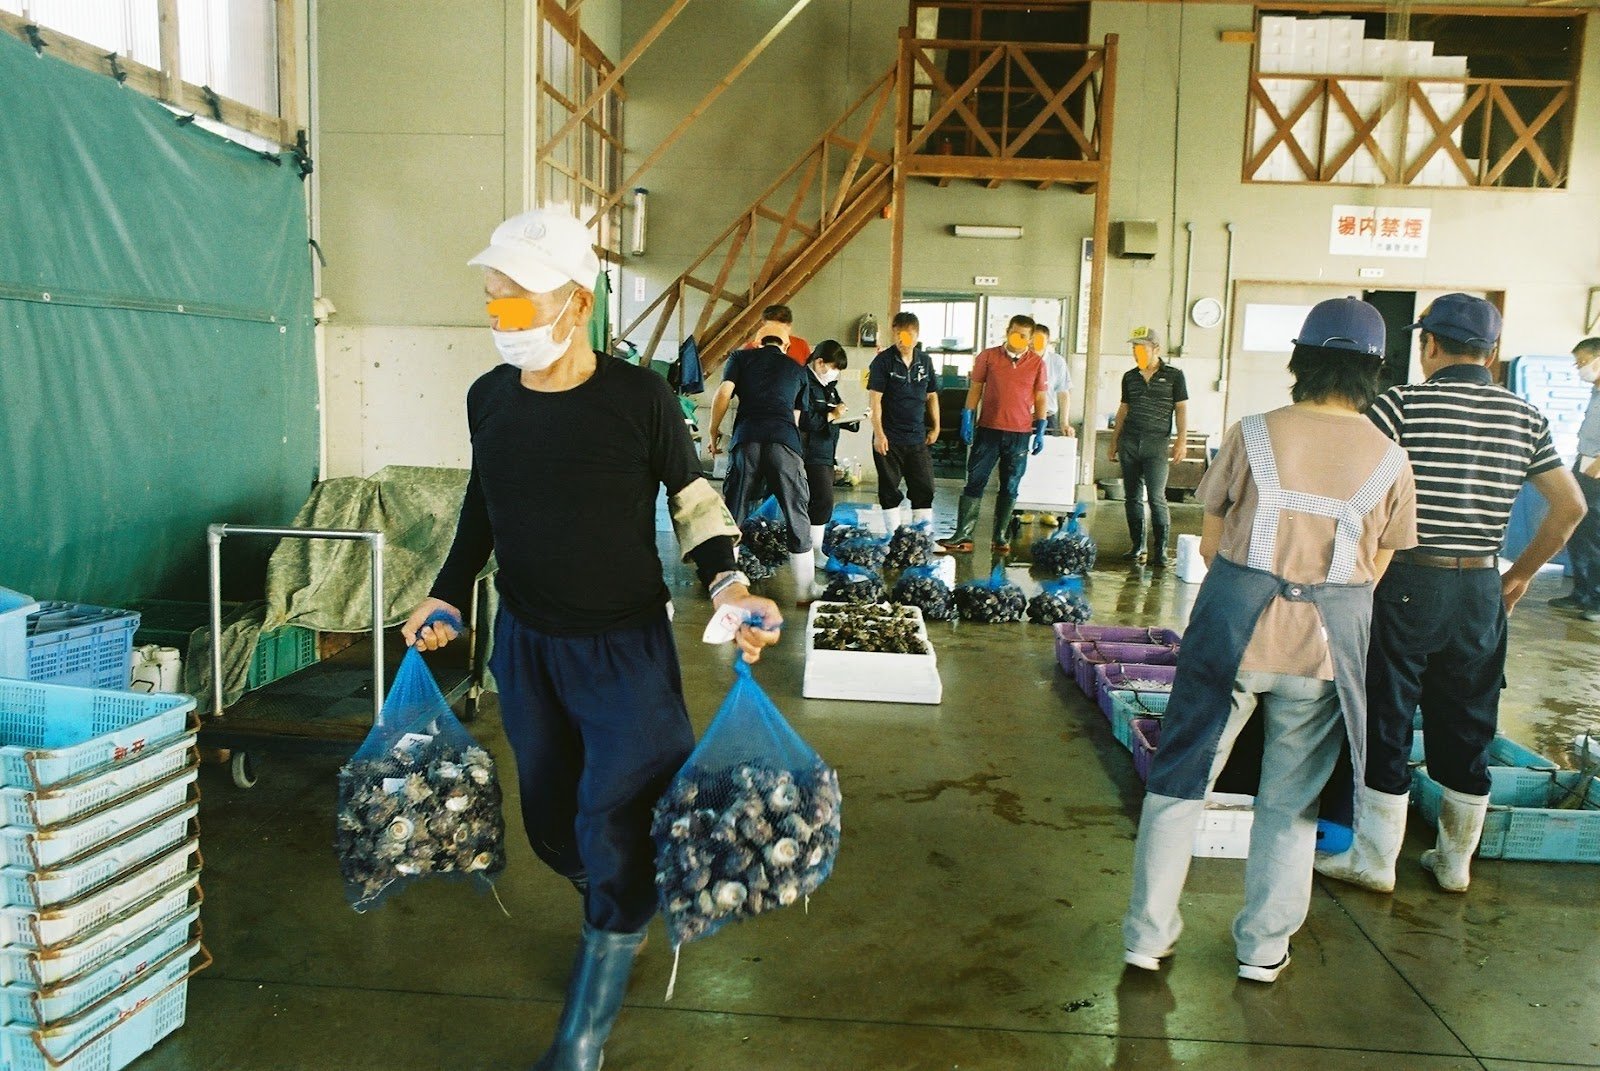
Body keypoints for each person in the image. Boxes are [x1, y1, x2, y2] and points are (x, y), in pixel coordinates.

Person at [402, 209, 782, 1071]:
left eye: (516, 302)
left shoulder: (638, 397)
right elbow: (483, 504)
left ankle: (583, 1031)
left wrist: (731, 584)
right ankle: (614, 891)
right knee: (552, 820)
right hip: (529, 650)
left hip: (624, 654)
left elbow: (693, 501)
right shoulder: (489, 397)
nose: (499, 318)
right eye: (491, 302)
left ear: (576, 302)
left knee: (615, 817)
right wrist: (450, 589)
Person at [1123, 298, 1417, 985]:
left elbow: (1216, 533)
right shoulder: (1390, 458)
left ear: (1301, 359)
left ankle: (1147, 934)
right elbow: (1378, 565)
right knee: (1291, 804)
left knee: (1179, 782)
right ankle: (1261, 948)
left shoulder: (1253, 431)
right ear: (1375, 370)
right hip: (1321, 655)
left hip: (1233, 636)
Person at [1317, 294, 1586, 895]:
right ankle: (1454, 863)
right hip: (1480, 588)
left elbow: (1350, 488)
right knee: (1467, 721)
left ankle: (1375, 862)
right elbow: (1571, 506)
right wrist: (1517, 577)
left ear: (1429, 344)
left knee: (1386, 714)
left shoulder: (1400, 404)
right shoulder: (1526, 415)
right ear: (1491, 354)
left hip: (1408, 578)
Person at [709, 331, 818, 600]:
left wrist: (713, 431)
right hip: (783, 441)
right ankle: (805, 592)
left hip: (747, 439)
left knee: (735, 509)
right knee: (796, 511)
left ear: (758, 343)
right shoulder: (797, 368)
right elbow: (795, 418)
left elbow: (724, 393)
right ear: (787, 346)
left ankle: (728, 588)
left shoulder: (740, 358)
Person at [937, 314, 1047, 555]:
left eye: (1023, 335)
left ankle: (1000, 536)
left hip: (1019, 434)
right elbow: (976, 388)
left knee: (1010, 485)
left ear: (1030, 340)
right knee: (975, 481)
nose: (1017, 338)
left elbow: (1040, 397)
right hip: (988, 431)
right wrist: (967, 415)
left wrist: (1040, 427)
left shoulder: (1037, 363)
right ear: (1007, 331)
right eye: (1014, 332)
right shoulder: (988, 357)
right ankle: (964, 533)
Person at [1108, 327, 1188, 567]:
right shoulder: (1129, 377)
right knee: (1131, 496)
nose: (1137, 352)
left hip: (1157, 443)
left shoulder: (1174, 375)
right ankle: (1137, 546)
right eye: (1134, 348)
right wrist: (1114, 441)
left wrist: (1181, 440)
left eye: (1142, 348)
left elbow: (1181, 408)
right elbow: (1124, 409)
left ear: (1156, 349)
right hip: (1130, 441)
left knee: (1156, 496)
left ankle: (1160, 550)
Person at [867, 312, 940, 533]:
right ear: (894, 334)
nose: (903, 340)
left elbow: (932, 395)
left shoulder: (925, 361)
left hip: (917, 437)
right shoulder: (883, 361)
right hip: (889, 437)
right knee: (889, 489)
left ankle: (922, 537)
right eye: (899, 335)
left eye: (908, 335)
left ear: (916, 335)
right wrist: (879, 434)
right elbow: (875, 400)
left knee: (924, 488)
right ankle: (894, 537)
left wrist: (936, 426)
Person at [1550, 337, 1600, 621]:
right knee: (1578, 531)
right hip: (1584, 463)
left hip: (1597, 469)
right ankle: (1581, 593)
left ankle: (1597, 599)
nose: (1579, 368)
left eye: (1582, 362)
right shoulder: (1595, 391)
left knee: (1595, 535)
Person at [799, 340, 854, 563]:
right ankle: (813, 552)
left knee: (820, 500)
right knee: (822, 500)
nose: (835, 374)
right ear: (819, 362)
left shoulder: (828, 387)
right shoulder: (803, 382)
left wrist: (851, 418)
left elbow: (837, 411)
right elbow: (804, 419)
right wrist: (832, 416)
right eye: (834, 368)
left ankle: (814, 548)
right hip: (809, 450)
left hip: (826, 448)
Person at [1033, 324, 1074, 437]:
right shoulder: (1019, 361)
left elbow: (1063, 393)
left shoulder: (1057, 361)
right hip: (1021, 418)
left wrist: (1064, 422)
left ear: (1048, 341)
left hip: (1048, 418)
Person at [743, 303, 811, 365]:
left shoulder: (801, 345)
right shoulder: (751, 348)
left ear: (789, 328)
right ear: (763, 326)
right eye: (771, 329)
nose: (775, 334)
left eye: (780, 330)